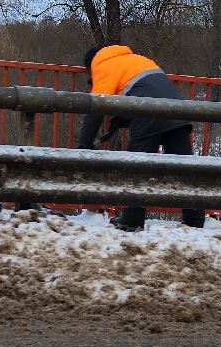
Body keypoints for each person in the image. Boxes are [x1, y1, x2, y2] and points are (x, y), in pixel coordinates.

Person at [76, 44, 206, 231]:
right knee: (184, 168)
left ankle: (132, 218)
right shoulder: (136, 59)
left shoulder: (102, 64)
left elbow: (96, 106)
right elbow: (142, 87)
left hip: (147, 111)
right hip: (177, 111)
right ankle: (194, 219)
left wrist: (84, 145)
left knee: (137, 165)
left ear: (90, 65)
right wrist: (124, 118)